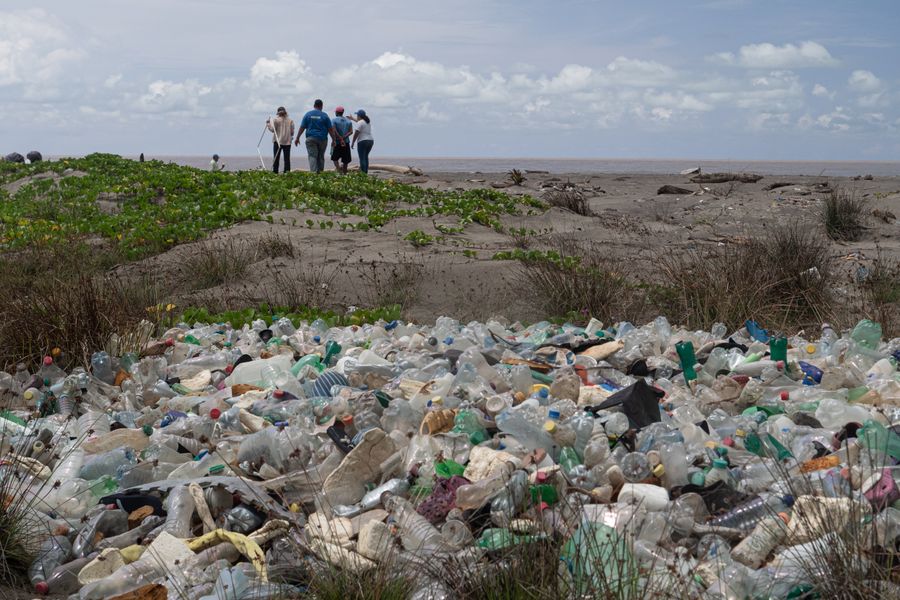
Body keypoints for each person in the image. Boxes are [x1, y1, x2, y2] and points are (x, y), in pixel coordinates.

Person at [295, 99, 343, 173]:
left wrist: (297, 138)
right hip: (322, 139)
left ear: (314, 106)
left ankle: (313, 173)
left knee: (312, 156)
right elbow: (330, 129)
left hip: (310, 138)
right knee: (320, 156)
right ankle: (320, 174)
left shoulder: (308, 114)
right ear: (321, 106)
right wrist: (333, 140)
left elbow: (302, 127)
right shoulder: (325, 116)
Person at [267, 107, 294, 173]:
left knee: (276, 158)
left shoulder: (276, 120)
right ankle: (287, 173)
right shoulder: (290, 121)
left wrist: (268, 124)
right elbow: (292, 132)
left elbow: (272, 130)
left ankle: (275, 172)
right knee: (287, 159)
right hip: (287, 142)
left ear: (278, 113)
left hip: (278, 141)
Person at [350, 109, 374, 174]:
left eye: (357, 115)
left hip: (363, 141)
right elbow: (359, 122)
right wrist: (352, 118)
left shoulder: (360, 122)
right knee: (365, 157)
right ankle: (365, 172)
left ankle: (363, 173)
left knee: (362, 158)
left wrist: (353, 142)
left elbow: (356, 132)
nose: (357, 116)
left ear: (359, 116)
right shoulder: (367, 122)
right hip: (370, 140)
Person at [331, 106, 353, 174]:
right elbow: (351, 131)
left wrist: (340, 138)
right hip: (346, 142)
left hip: (337, 142)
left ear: (337, 112)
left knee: (335, 158)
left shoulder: (334, 120)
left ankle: (338, 171)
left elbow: (333, 130)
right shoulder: (348, 121)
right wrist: (343, 138)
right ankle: (345, 172)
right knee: (345, 160)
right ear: (342, 112)